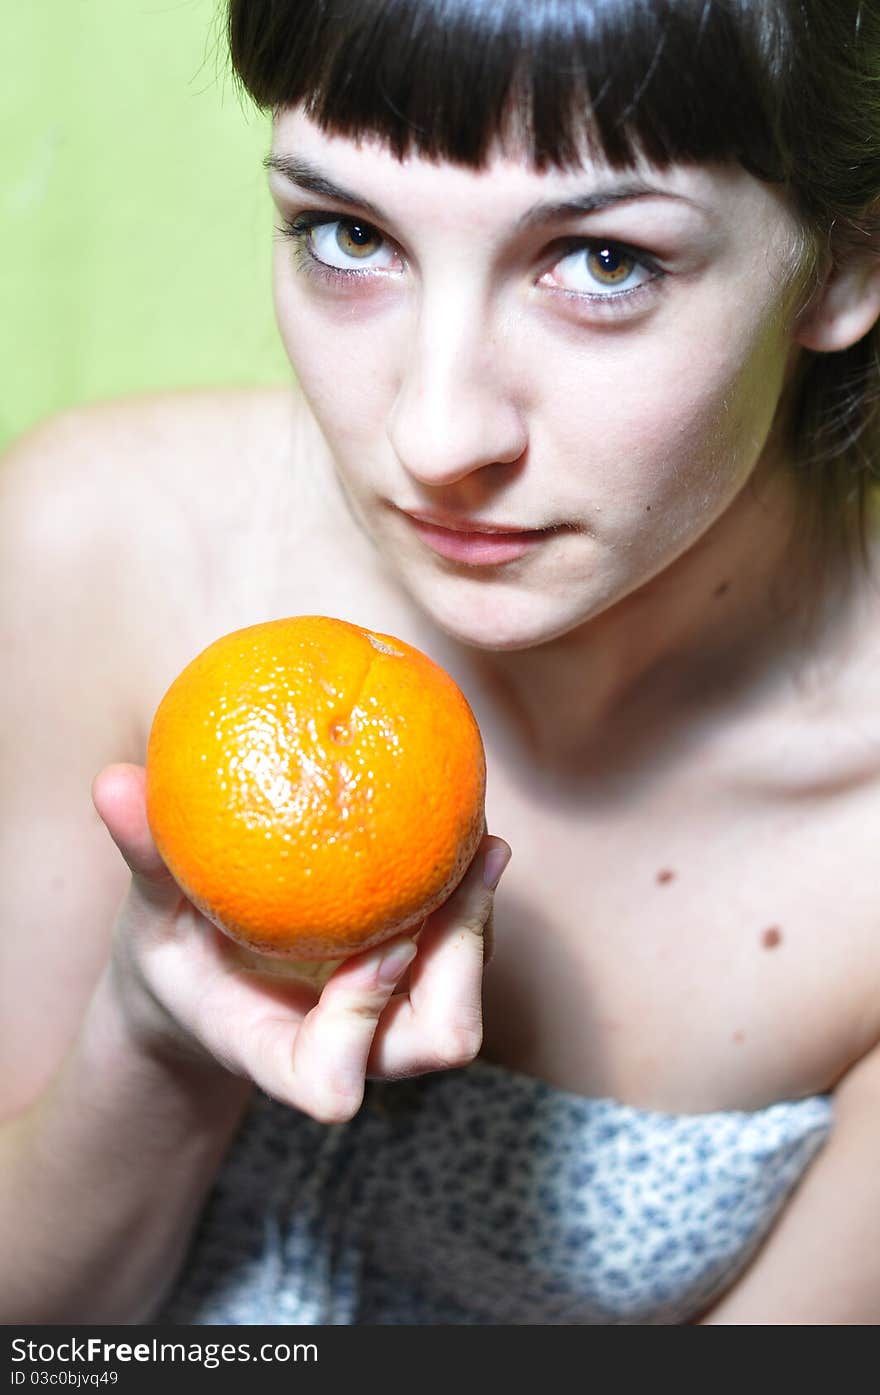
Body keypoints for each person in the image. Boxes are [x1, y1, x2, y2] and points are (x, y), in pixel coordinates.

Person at [2, 0, 880, 1326]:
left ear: (845, 266)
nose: (433, 429)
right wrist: (157, 1041)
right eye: (347, 235)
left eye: (600, 261)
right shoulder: (94, 543)